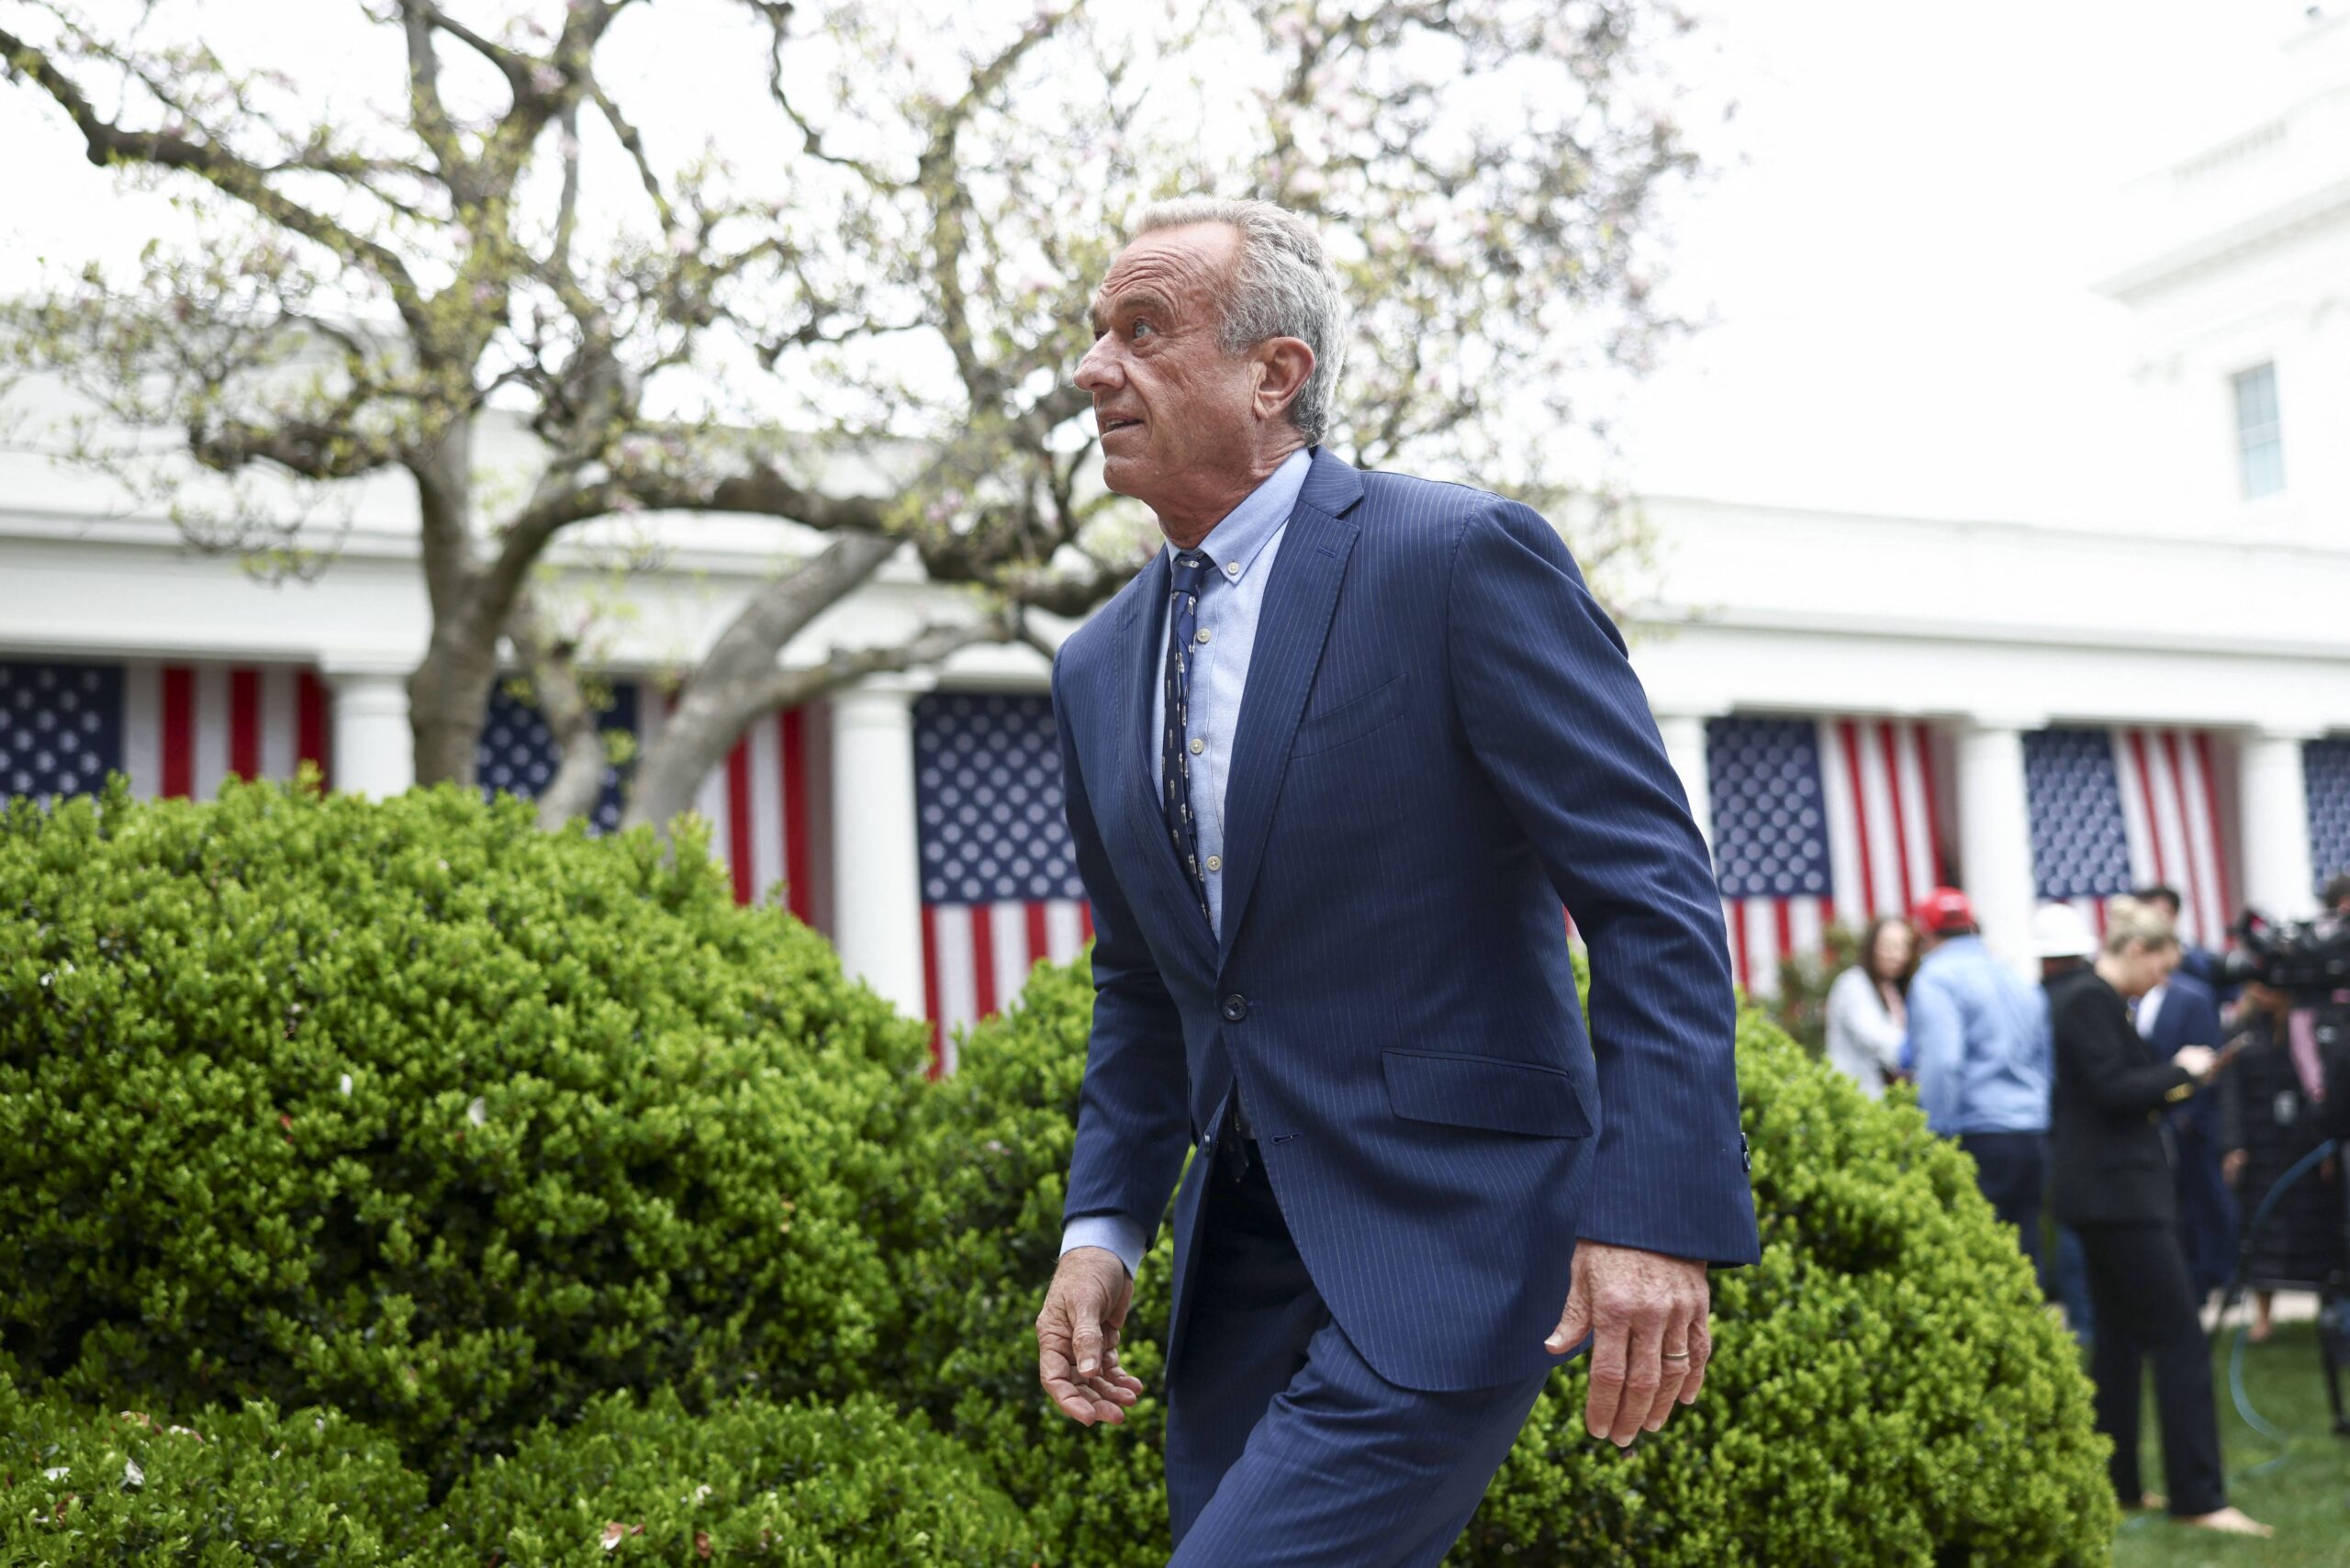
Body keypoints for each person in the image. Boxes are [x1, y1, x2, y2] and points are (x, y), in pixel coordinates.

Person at [1030, 197, 1758, 1566]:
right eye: (1092, 336)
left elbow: (1651, 894)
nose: (1091, 370)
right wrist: (1104, 1226)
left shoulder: (1459, 560)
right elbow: (1144, 980)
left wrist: (1652, 1216)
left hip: (1457, 1251)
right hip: (1239, 1269)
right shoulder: (1094, 664)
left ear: (1275, 374)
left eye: (1141, 330)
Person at [2047, 897, 2267, 1537]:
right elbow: (2114, 1090)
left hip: (2107, 1193)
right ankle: (2200, 1496)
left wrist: (2181, 1077)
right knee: (2178, 1333)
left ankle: (2118, 1483)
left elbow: (2124, 1084)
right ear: (2138, 950)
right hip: (2120, 1194)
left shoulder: (2088, 998)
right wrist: (2183, 1070)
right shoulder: (2088, 998)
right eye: (2162, 967)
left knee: (2119, 1339)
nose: (2162, 981)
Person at [1906, 887, 2053, 1273]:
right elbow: (2044, 1057)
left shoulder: (1935, 978)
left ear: (1926, 934)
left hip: (1978, 1133)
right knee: (2023, 1254)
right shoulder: (2014, 974)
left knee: (1973, 1259)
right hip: (2030, 1131)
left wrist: (1935, 1134)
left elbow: (1942, 1063)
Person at [2221, 980, 2341, 1342]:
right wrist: (2233, 1144)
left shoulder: (2309, 1024)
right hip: (2260, 1146)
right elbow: (2230, 1092)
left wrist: (2327, 1143)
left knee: (2317, 1228)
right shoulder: (2241, 1029)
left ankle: (2329, 1311)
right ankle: (2263, 1316)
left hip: (2304, 1142)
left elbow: (2325, 1085)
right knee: (2260, 1229)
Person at [2129, 924, 2235, 1305]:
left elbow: (2207, 1061)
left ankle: (2209, 1277)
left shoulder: (2193, 997)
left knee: (2200, 1205)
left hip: (2185, 1121)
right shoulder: (2128, 1001)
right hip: (2145, 1118)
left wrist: (2187, 1110)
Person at [1825, 915, 1915, 1098]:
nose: (1896, 954)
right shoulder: (1852, 984)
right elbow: (1876, 1038)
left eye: (1902, 946)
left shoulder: (1891, 988)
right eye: (1888, 946)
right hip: (1854, 1098)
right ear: (1871, 947)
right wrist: (1919, 1052)